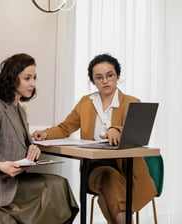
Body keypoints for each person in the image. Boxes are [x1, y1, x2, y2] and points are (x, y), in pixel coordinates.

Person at [32, 54, 157, 224]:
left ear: (117, 76)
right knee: (107, 176)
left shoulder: (131, 102)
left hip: (126, 170)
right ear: (93, 81)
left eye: (110, 75)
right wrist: (46, 133)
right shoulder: (86, 103)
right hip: (94, 169)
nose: (105, 81)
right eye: (99, 77)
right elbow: (65, 128)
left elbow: (136, 133)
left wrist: (116, 130)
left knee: (111, 183)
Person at [0, 53, 79, 224]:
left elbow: (22, 142)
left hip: (13, 180)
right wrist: (0, 166)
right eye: (27, 78)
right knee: (52, 187)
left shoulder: (19, 109)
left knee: (60, 183)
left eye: (34, 78)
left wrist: (32, 148)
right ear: (13, 78)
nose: (33, 84)